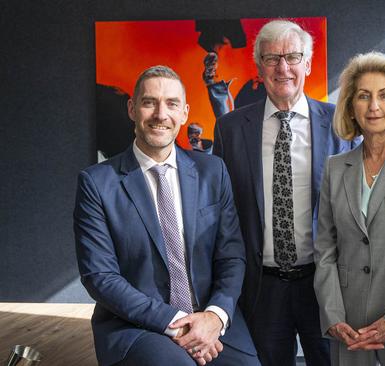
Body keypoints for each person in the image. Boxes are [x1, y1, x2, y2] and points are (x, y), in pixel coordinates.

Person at [74, 65, 259, 366]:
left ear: (184, 113)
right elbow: (100, 276)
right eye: (150, 102)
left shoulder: (212, 172)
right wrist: (177, 322)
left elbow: (232, 256)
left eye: (172, 104)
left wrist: (215, 315)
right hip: (136, 326)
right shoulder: (97, 183)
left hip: (210, 319)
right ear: (132, 109)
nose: (161, 114)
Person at [213, 19, 356, 366]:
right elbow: (220, 209)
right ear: (259, 66)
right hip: (262, 288)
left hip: (323, 285)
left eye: (292, 57)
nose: (283, 67)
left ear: (307, 63)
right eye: (272, 58)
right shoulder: (231, 129)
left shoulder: (341, 124)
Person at [314, 52, 385, 366]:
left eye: (384, 96)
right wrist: (333, 316)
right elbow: (324, 248)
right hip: (348, 327)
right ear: (351, 107)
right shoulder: (335, 168)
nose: (374, 106)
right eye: (363, 96)